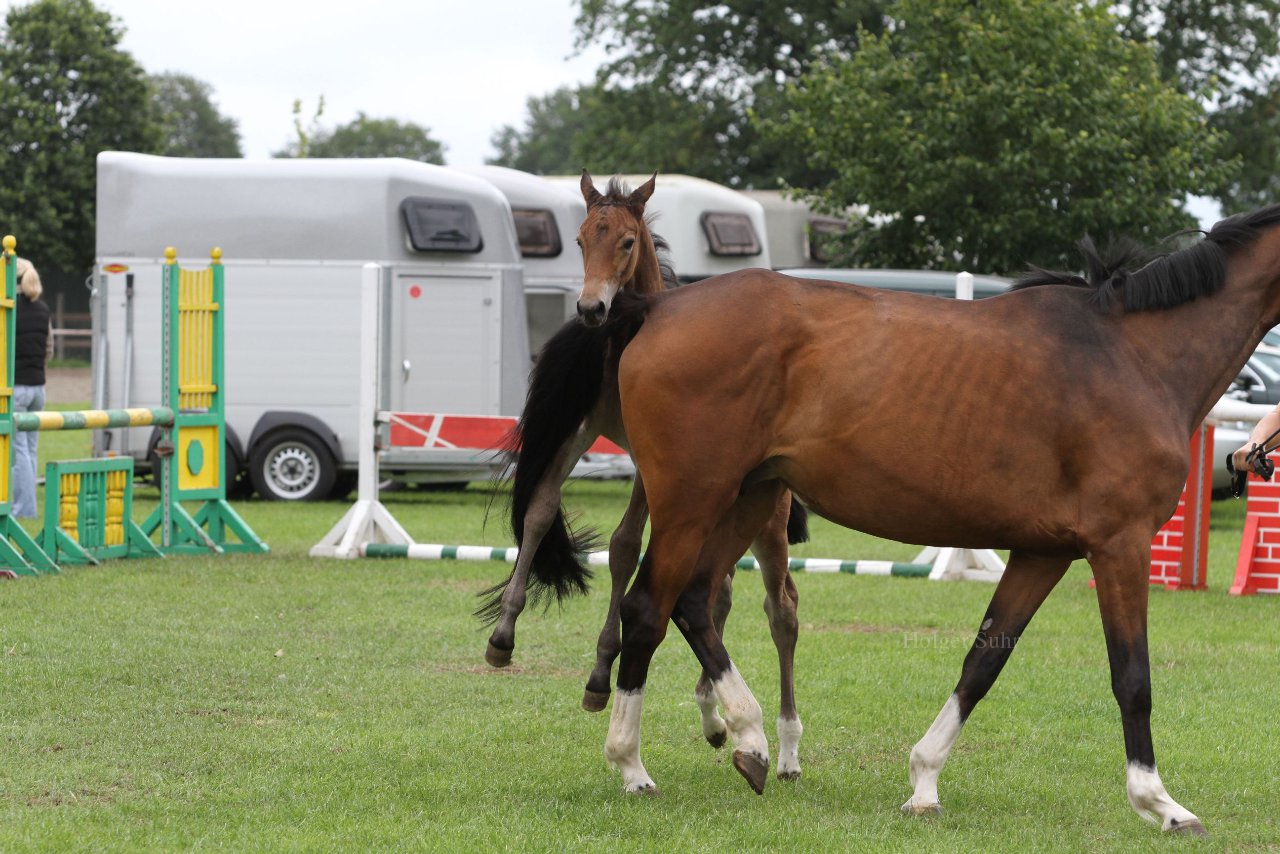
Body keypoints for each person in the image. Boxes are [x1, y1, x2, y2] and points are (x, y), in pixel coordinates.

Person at [11, 256, 50, 518]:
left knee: (20, 453)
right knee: (30, 451)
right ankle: (29, 506)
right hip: (38, 388)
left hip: (18, 388)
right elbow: (50, 350)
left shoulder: (10, 309)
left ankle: (24, 509)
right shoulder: (44, 309)